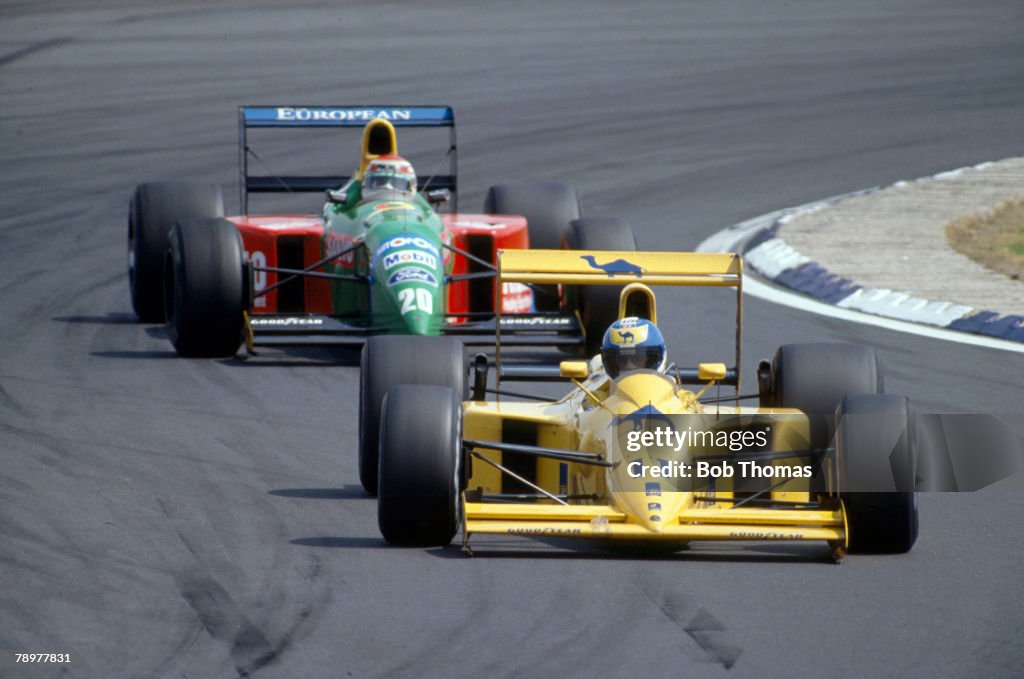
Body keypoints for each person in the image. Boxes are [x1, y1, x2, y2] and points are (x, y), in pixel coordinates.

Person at [325, 154, 418, 211]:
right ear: (365, 185)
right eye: (379, 183)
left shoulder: (417, 205)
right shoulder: (354, 196)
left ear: (411, 187)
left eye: (397, 184)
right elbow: (337, 210)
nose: (387, 188)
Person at [600, 316, 667, 378]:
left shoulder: (674, 384)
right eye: (621, 359)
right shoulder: (595, 389)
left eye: (637, 359)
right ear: (611, 363)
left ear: (652, 360)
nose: (629, 366)